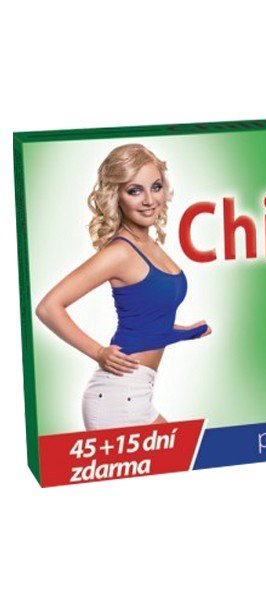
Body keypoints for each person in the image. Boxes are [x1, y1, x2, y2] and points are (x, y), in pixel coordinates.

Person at [35, 143, 211, 430]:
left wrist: (184, 332)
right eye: (134, 190)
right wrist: (98, 352)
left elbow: (145, 324)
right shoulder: (120, 252)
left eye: (155, 187)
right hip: (117, 397)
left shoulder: (149, 244)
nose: (149, 200)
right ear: (115, 195)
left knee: (186, 454)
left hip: (136, 394)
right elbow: (48, 307)